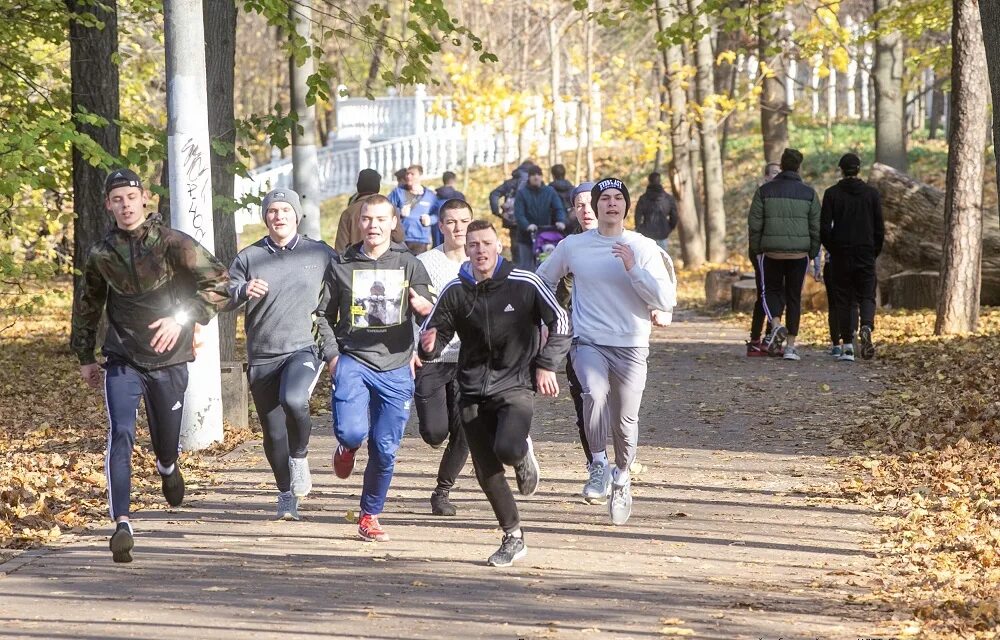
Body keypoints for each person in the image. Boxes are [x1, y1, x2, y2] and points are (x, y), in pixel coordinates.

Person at [70, 168, 230, 563]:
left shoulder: (172, 243)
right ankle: (121, 524)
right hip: (122, 356)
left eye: (130, 197)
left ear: (144, 198)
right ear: (108, 205)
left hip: (170, 358)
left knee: (165, 437)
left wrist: (182, 318)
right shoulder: (101, 253)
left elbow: (221, 284)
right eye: (117, 199)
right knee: (121, 432)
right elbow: (88, 306)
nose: (125, 205)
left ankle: (167, 465)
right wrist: (86, 357)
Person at [419, 219, 571, 567]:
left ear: (498, 246)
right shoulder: (456, 290)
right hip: (470, 388)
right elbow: (435, 334)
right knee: (486, 468)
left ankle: (521, 453)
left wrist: (547, 364)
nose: (480, 250)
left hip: (515, 383)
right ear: (467, 250)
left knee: (506, 448)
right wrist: (429, 347)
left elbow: (560, 321)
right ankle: (513, 536)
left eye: (486, 243)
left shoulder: (525, 282)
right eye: (473, 245)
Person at [537, 178, 674, 525]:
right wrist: (551, 319)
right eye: (605, 199)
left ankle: (623, 476)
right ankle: (598, 464)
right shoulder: (574, 246)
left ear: (627, 206)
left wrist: (633, 269)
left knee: (626, 422)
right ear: (594, 207)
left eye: (618, 198)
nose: (611, 204)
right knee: (593, 394)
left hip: (631, 343)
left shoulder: (642, 247)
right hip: (589, 340)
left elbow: (665, 299)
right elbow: (543, 280)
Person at [325, 195, 435, 542]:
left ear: (392, 223)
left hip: (396, 365)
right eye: (367, 219)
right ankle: (345, 449)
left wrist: (422, 306)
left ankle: (369, 514)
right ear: (359, 223)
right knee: (353, 434)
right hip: (353, 359)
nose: (373, 226)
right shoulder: (341, 262)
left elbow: (431, 309)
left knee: (385, 449)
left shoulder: (409, 262)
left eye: (380, 219)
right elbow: (321, 317)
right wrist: (331, 356)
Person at [225, 189, 337, 520]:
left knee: (294, 399)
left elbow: (346, 280)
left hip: (303, 345)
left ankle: (300, 456)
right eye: (272, 211)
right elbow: (223, 296)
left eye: (285, 210)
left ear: (297, 215)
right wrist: (242, 291)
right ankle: (286, 493)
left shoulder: (319, 253)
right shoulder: (248, 257)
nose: (279, 216)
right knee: (273, 433)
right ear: (265, 217)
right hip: (262, 353)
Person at [414, 199, 472, 516]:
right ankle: (436, 433)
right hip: (434, 359)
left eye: (464, 221)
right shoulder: (424, 263)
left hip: (469, 359)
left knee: (467, 426)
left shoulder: (483, 261)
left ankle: (442, 492)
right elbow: (414, 312)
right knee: (434, 431)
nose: (458, 227)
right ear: (441, 226)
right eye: (451, 221)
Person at [748, 148, 821, 362]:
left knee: (770, 290)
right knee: (793, 298)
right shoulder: (809, 193)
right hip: (799, 254)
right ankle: (790, 346)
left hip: (771, 253)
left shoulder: (764, 191)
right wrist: (813, 250)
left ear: (782, 164)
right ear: (799, 166)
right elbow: (815, 226)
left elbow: (754, 224)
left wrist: (757, 249)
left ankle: (777, 324)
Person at [820, 152, 884, 362]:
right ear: (858, 170)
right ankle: (866, 325)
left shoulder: (832, 194)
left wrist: (833, 247)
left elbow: (824, 228)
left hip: (841, 254)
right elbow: (879, 228)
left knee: (843, 299)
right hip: (865, 252)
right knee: (866, 295)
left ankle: (847, 345)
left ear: (841, 170)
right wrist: (873, 250)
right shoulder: (871, 194)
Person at [746, 162, 782, 357]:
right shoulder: (762, 194)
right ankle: (755, 339)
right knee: (764, 294)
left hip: (776, 251)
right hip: (761, 252)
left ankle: (770, 336)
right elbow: (754, 226)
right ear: (766, 176)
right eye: (774, 173)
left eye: (780, 173)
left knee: (776, 293)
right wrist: (757, 250)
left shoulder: (781, 195)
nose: (777, 176)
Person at [336, 169, 404, 253]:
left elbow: (340, 248)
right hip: (385, 261)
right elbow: (399, 237)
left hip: (354, 262)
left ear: (358, 186)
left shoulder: (348, 212)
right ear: (378, 186)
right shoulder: (389, 208)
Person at [513, 165, 566, 271]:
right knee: (526, 268)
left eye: (538, 175)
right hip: (526, 238)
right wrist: (527, 225)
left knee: (545, 266)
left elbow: (559, 208)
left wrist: (560, 221)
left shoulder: (550, 191)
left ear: (542, 177)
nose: (536, 177)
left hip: (544, 237)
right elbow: (519, 214)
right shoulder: (522, 193)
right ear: (529, 177)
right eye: (533, 175)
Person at [489, 161, 537, 266]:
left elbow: (494, 194)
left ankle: (517, 269)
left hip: (512, 219)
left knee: (515, 245)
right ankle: (531, 270)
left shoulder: (510, 183)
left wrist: (496, 212)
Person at [388, 164, 438, 255]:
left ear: (420, 176)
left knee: (416, 267)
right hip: (401, 239)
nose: (408, 176)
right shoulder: (398, 192)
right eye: (407, 174)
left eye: (412, 174)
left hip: (421, 239)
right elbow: (386, 210)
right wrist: (399, 212)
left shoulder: (430, 196)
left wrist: (430, 220)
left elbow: (439, 215)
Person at [633, 172, 678, 253]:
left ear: (649, 181)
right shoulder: (668, 198)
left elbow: (637, 216)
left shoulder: (643, 198)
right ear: (660, 181)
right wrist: (669, 228)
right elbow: (674, 216)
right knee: (662, 262)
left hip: (646, 234)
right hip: (662, 233)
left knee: (646, 262)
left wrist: (639, 228)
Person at [429, 171, 466, 247]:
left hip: (438, 228)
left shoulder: (434, 195)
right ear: (454, 181)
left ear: (443, 180)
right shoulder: (459, 196)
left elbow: (430, 212)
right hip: (456, 228)